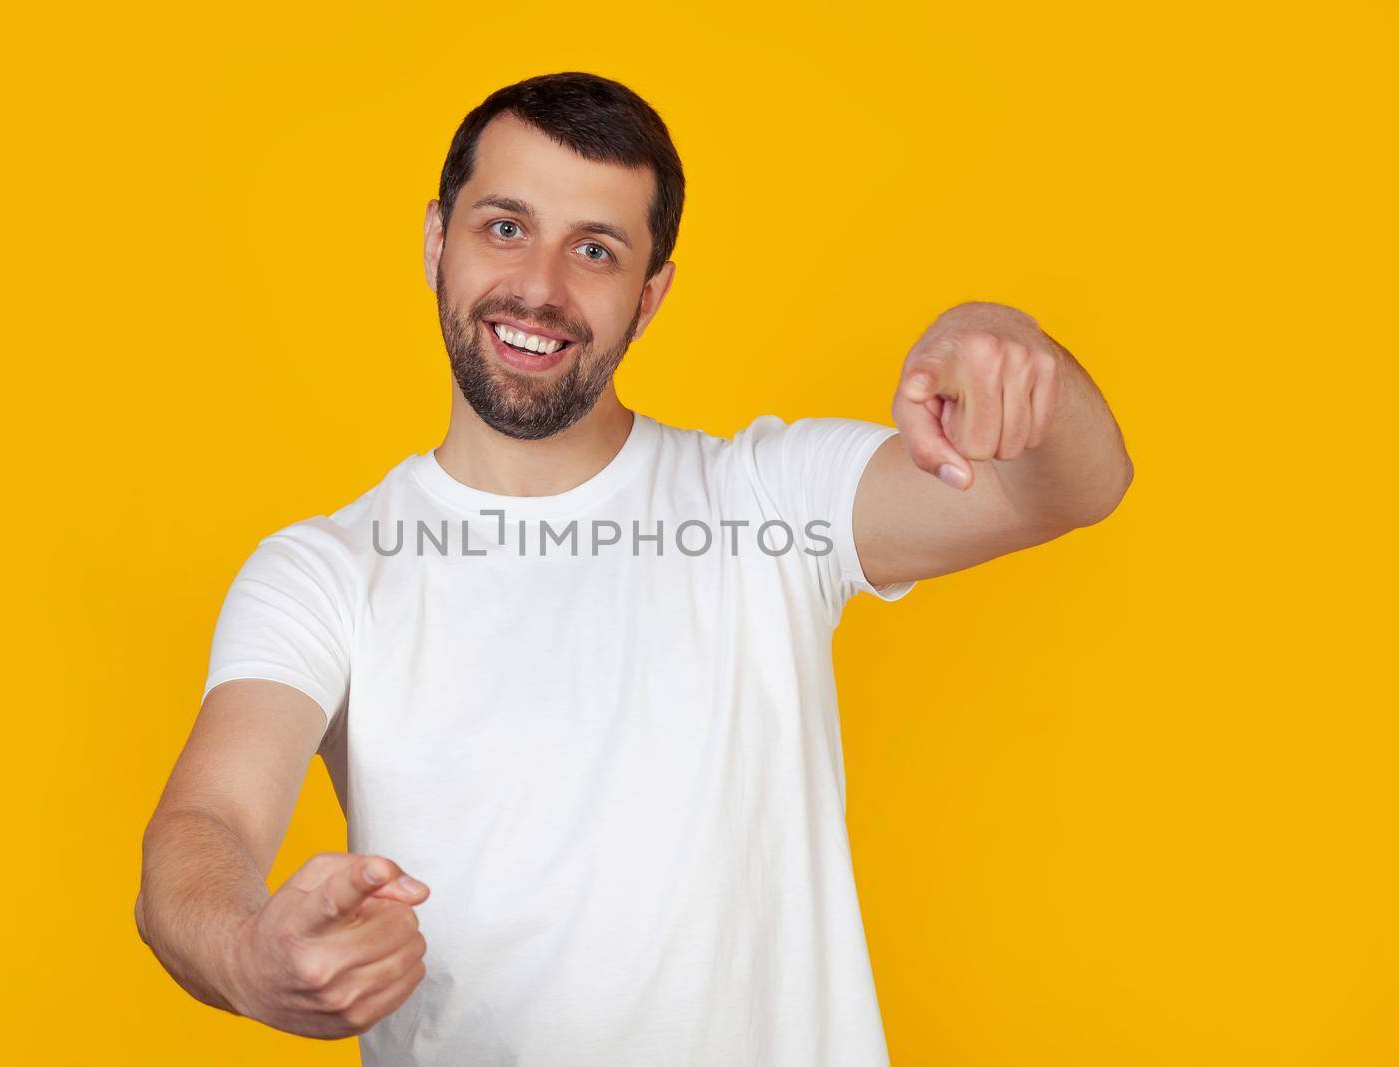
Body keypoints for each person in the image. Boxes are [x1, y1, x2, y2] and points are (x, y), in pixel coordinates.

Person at [133, 71, 1133, 1066]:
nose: (541, 288)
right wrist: (246, 949)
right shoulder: (326, 571)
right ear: (438, 238)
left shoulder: (766, 501)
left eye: (595, 250)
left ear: (649, 294)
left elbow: (1068, 487)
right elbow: (205, 820)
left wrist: (1002, 345)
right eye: (505, 227)